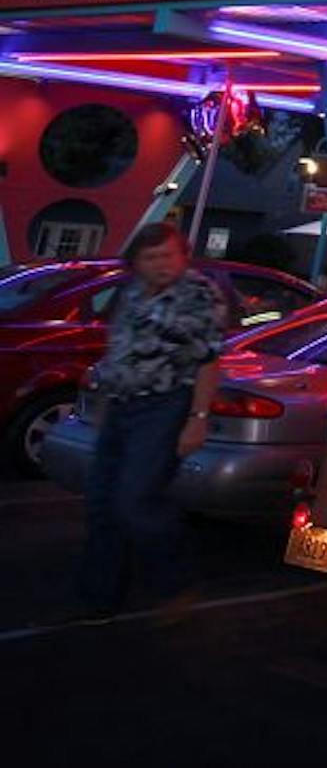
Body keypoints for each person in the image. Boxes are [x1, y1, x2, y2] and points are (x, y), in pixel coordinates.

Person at [77, 222, 225, 620]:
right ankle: (100, 595)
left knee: (136, 499)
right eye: (151, 256)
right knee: (101, 501)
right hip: (123, 404)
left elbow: (208, 359)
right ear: (137, 263)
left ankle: (178, 579)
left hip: (164, 406)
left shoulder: (197, 294)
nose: (161, 263)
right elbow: (119, 349)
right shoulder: (130, 294)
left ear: (183, 255)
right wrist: (106, 402)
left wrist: (197, 418)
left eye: (168, 254)